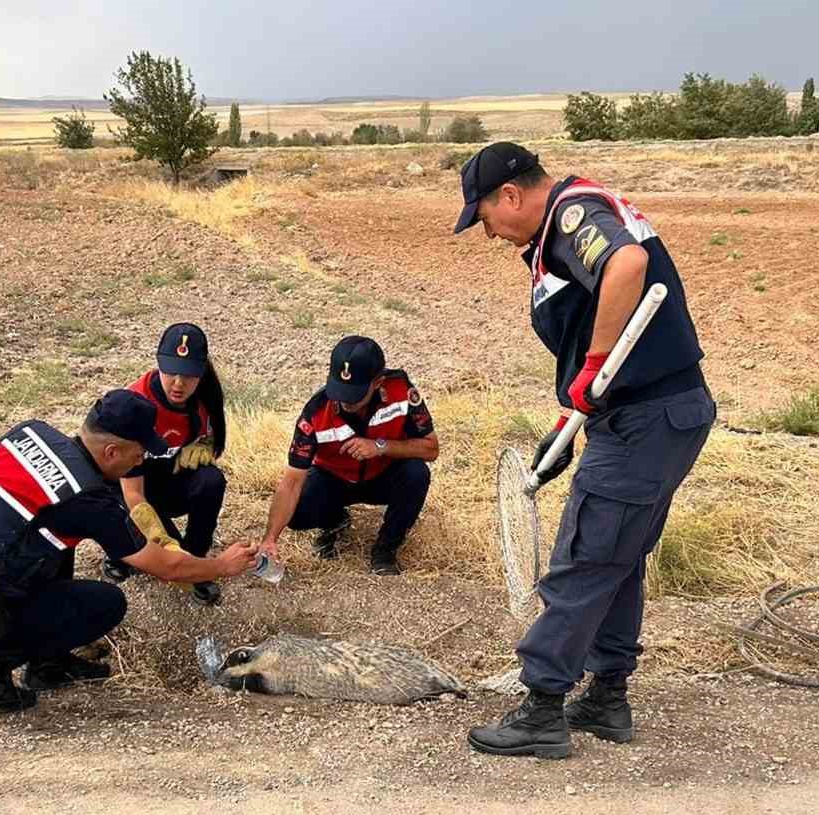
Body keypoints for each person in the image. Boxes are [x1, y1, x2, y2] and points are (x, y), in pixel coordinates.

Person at [454, 142, 716, 759]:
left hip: (646, 417)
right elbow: (593, 337)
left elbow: (626, 267)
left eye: (486, 217)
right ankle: (607, 696)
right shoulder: (556, 234)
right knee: (618, 557)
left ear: (511, 195)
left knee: (585, 555)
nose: (489, 233)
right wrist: (573, 412)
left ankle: (542, 706)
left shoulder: (574, 214)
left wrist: (596, 368)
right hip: (649, 414)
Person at [0, 389, 257, 712]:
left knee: (54, 536)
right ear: (111, 452)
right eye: (138, 455)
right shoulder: (89, 499)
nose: (141, 461)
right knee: (106, 604)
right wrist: (222, 566)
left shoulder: (31, 433)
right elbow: (167, 568)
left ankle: (48, 663)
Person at [258, 336, 439, 577]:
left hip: (383, 476)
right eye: (339, 390)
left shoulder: (401, 390)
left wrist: (381, 445)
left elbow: (431, 449)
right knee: (298, 511)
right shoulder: (314, 413)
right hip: (334, 480)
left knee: (417, 473)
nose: (344, 401)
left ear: (378, 382)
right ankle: (335, 520)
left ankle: (385, 549)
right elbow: (291, 482)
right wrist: (270, 538)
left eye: (354, 394)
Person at [101, 323, 230, 606]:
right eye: (171, 371)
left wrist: (205, 446)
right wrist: (159, 538)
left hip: (166, 482)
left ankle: (196, 561)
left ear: (201, 373)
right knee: (156, 548)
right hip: (128, 488)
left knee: (211, 480)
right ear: (159, 363)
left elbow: (213, 444)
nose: (178, 383)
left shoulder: (203, 402)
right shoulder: (136, 405)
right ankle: (123, 552)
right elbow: (132, 493)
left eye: (189, 375)